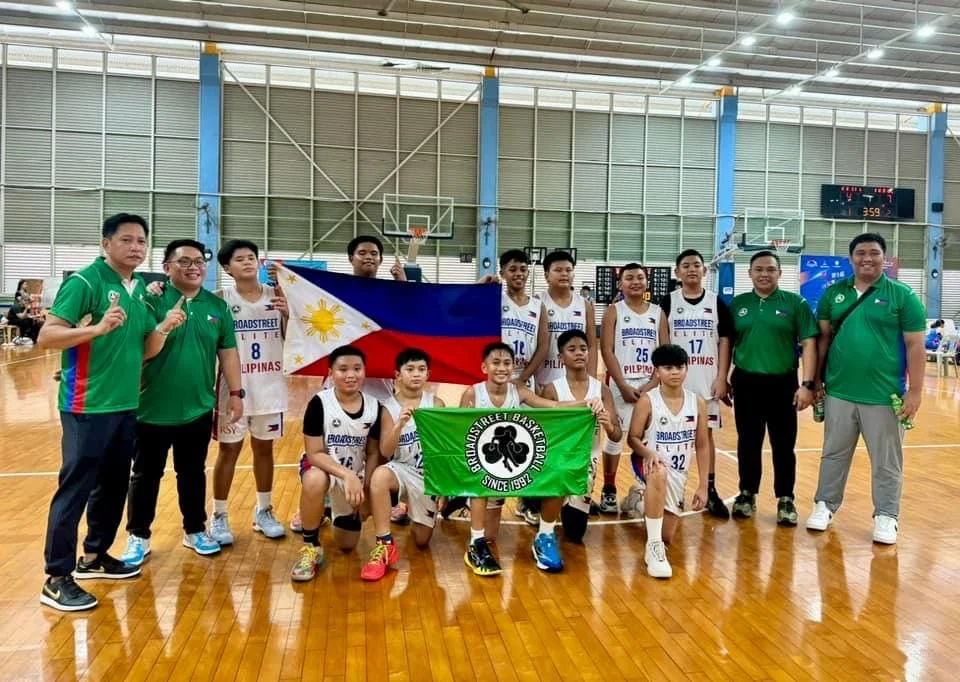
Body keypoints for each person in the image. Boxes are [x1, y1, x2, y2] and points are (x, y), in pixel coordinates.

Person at [38, 214, 179, 611]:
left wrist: (164, 327)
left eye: (141, 241)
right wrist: (96, 330)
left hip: (126, 404)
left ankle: (95, 555)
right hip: (86, 404)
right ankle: (56, 577)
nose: (136, 247)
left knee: (114, 485)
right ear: (106, 244)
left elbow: (146, 348)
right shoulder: (85, 282)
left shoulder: (137, 289)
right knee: (76, 488)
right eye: (126, 240)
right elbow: (47, 336)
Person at [120, 239, 244, 566]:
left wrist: (236, 393)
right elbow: (138, 350)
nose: (194, 267)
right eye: (184, 261)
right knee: (145, 475)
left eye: (199, 261)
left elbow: (228, 353)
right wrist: (163, 325)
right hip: (150, 408)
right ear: (167, 268)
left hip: (198, 408)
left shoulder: (216, 307)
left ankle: (195, 530)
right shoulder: (151, 300)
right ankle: (138, 536)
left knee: (192, 473)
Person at [806, 233, 926, 545]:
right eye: (860, 253)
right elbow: (823, 341)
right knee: (833, 454)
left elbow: (915, 345)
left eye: (874, 253)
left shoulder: (902, 296)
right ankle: (825, 505)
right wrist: (816, 381)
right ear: (851, 258)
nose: (867, 258)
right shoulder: (834, 293)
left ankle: (887, 515)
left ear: (884, 258)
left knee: (887, 462)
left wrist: (915, 391)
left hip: (884, 396)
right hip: (839, 392)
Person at [290, 234, 405, 532]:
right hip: (339, 388)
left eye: (374, 253)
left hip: (379, 389)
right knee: (329, 447)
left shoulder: (391, 294)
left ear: (381, 259)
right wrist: (288, 308)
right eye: (362, 252)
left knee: (379, 450)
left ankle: (384, 499)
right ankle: (316, 505)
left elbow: (410, 318)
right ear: (351, 258)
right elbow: (311, 322)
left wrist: (403, 286)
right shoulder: (333, 294)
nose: (368, 257)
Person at [459, 342, 604, 575]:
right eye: (496, 363)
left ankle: (544, 536)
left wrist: (586, 403)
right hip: (487, 465)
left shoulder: (519, 391)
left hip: (517, 464)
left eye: (507, 363)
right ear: (484, 367)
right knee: (489, 532)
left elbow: (554, 406)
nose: (502, 368)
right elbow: (460, 433)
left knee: (558, 471)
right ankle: (475, 543)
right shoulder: (473, 393)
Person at [208, 239, 289, 545]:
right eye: (239, 259)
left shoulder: (278, 295)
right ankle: (219, 514)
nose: (247, 262)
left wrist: (288, 313)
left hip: (269, 385)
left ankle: (264, 510)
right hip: (234, 389)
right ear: (227, 268)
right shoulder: (220, 299)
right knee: (228, 451)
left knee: (264, 449)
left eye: (251, 257)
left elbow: (295, 337)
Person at [729, 251, 818, 526]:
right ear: (750, 274)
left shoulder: (795, 303)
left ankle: (786, 498)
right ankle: (747, 493)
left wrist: (807, 384)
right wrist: (723, 378)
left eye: (770, 269)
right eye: (758, 269)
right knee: (748, 442)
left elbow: (809, 344)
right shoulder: (738, 304)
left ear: (779, 273)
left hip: (782, 384)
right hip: (746, 382)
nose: (764, 274)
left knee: (783, 444)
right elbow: (726, 343)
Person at [292, 345, 382, 582]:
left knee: (347, 544)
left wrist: (366, 489)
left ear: (365, 371)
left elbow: (373, 452)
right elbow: (314, 453)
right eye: (343, 369)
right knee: (314, 479)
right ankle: (311, 546)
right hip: (325, 468)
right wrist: (346, 475)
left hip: (354, 476)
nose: (351, 375)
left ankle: (329, 511)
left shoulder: (374, 407)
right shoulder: (319, 403)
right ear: (331, 373)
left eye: (357, 369)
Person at [658, 248, 733, 519]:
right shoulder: (668, 302)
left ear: (704, 270)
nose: (692, 269)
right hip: (675, 382)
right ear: (677, 272)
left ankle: (709, 489)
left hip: (706, 381)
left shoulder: (716, 302)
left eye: (697, 265)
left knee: (705, 437)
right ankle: (667, 489)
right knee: (667, 436)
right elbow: (662, 341)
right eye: (686, 265)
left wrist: (722, 377)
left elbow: (725, 341)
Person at [360, 349, 445, 581]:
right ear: (397, 375)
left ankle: (412, 510)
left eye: (421, 369)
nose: (416, 374)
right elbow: (386, 451)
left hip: (427, 476)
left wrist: (443, 486)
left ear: (428, 374)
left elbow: (444, 450)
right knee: (379, 476)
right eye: (410, 369)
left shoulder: (436, 404)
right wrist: (399, 424)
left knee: (422, 540)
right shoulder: (389, 407)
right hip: (401, 469)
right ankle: (384, 543)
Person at [627, 344, 709, 579]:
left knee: (668, 535)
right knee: (658, 472)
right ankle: (653, 549)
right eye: (668, 367)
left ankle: (638, 500)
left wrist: (704, 485)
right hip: (648, 463)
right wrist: (648, 453)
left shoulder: (697, 403)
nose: (675, 372)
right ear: (657, 371)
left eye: (679, 367)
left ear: (686, 369)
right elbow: (632, 438)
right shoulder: (648, 401)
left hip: (679, 471)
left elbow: (702, 445)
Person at [542, 330, 621, 545]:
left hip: (586, 464)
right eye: (572, 349)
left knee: (575, 533)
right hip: (559, 463)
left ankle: (570, 504)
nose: (579, 353)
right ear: (561, 357)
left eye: (583, 349)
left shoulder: (602, 390)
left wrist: (607, 423)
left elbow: (616, 435)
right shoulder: (552, 390)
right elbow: (545, 435)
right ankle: (543, 502)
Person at [599, 263, 661, 514]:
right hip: (620, 385)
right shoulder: (614, 311)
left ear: (647, 282)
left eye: (640, 277)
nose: (635, 281)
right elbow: (606, 350)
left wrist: (652, 385)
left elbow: (664, 353)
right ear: (620, 284)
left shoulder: (657, 312)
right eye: (629, 278)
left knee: (645, 439)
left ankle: (643, 488)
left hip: (649, 385)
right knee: (615, 437)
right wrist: (622, 385)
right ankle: (609, 489)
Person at [497, 248, 549, 526]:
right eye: (513, 269)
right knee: (495, 437)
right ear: (503, 273)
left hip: (523, 379)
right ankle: (487, 497)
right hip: (496, 378)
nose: (518, 274)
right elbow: (461, 307)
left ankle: (528, 499)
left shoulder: (538, 306)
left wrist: (523, 377)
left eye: (523, 269)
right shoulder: (495, 299)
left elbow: (543, 346)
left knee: (527, 441)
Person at [534, 250, 597, 390]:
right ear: (546, 276)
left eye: (568, 270)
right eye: (558, 270)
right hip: (544, 380)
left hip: (576, 383)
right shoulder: (537, 302)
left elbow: (592, 346)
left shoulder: (585, 305)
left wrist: (592, 381)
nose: (564, 274)